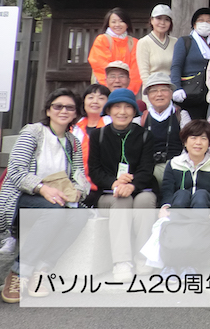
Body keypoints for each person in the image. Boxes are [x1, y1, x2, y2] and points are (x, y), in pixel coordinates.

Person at [0, 89, 90, 303]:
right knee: (54, 211)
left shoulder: (73, 142)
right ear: (48, 110)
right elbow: (16, 171)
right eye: (58, 106)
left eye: (70, 108)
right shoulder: (33, 132)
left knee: (80, 215)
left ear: (76, 113)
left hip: (57, 197)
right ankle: (18, 272)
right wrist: (42, 188)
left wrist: (78, 191)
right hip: (23, 196)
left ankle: (41, 270)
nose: (63, 111)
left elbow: (80, 176)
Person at [88, 88, 157, 280]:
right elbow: (94, 170)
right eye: (117, 107)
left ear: (134, 111)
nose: (122, 112)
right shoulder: (98, 135)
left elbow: (146, 169)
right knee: (121, 200)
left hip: (139, 189)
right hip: (109, 194)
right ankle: (122, 261)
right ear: (109, 110)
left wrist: (132, 185)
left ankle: (143, 257)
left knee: (145, 200)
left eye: (128, 107)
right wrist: (114, 183)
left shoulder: (145, 135)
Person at [160, 119, 210, 210]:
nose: (198, 142)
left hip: (205, 211)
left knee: (201, 195)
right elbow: (167, 191)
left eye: (203, 138)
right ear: (185, 142)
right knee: (182, 194)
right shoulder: (174, 163)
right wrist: (165, 207)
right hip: (179, 208)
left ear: (209, 143)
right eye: (193, 138)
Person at [171, 7, 210, 120]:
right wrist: (176, 87)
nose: (205, 23)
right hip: (188, 94)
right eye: (201, 20)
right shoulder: (185, 41)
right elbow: (176, 66)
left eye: (208, 21)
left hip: (207, 96)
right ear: (194, 25)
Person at [140, 72, 190, 187]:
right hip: (149, 167)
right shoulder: (142, 119)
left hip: (177, 166)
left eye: (164, 90)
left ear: (171, 93)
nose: (159, 94)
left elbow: (189, 144)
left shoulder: (181, 115)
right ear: (148, 95)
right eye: (153, 91)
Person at [87, 7, 141, 95]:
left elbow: (136, 71)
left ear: (127, 24)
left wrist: (128, 91)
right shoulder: (102, 40)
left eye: (121, 21)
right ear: (108, 24)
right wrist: (109, 90)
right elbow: (100, 66)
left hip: (127, 91)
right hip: (104, 90)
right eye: (113, 22)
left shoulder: (135, 43)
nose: (117, 25)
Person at [72, 84, 110, 191]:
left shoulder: (111, 126)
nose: (95, 101)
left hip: (104, 184)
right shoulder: (74, 128)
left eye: (101, 98)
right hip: (77, 185)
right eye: (91, 97)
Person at [136, 4, 177, 87]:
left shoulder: (175, 42)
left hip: (170, 87)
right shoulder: (144, 42)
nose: (162, 23)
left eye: (166, 19)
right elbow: (144, 73)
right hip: (152, 87)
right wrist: (151, 90)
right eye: (159, 18)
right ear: (152, 20)